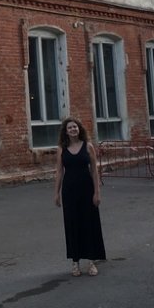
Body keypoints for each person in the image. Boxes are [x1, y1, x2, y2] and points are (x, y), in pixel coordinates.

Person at [53, 117, 106, 277]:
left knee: (88, 223)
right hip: (69, 191)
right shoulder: (62, 149)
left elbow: (94, 171)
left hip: (86, 189)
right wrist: (56, 192)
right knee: (72, 224)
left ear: (79, 128)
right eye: (70, 128)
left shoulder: (88, 146)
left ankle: (91, 262)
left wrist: (97, 192)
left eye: (75, 127)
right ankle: (75, 263)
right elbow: (59, 171)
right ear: (66, 131)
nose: (73, 129)